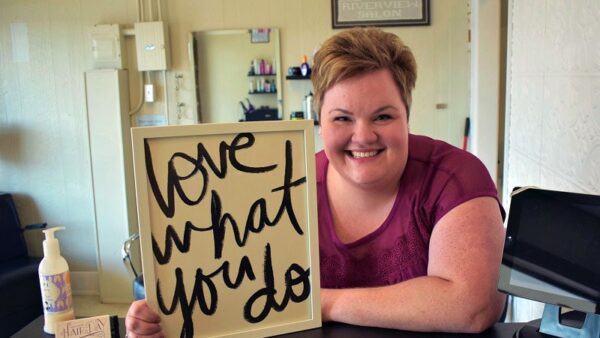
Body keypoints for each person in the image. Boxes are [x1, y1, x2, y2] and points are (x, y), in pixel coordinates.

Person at [125, 27, 506, 336]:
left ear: (407, 114)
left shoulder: (454, 178)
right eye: (342, 118)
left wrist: (318, 302)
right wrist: (170, 317)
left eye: (383, 117)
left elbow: (470, 305)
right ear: (319, 121)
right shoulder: (281, 188)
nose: (363, 136)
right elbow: (234, 295)